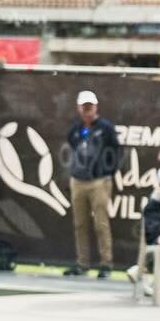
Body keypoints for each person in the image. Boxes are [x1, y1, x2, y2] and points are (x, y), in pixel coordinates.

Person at [64, 89, 121, 277]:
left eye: (90, 106)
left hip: (99, 181)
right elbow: (72, 149)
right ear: (79, 108)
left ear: (95, 106)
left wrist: (107, 172)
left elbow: (116, 151)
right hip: (78, 180)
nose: (87, 110)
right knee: (79, 223)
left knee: (101, 223)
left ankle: (106, 264)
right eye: (84, 106)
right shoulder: (75, 129)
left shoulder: (105, 128)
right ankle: (83, 263)